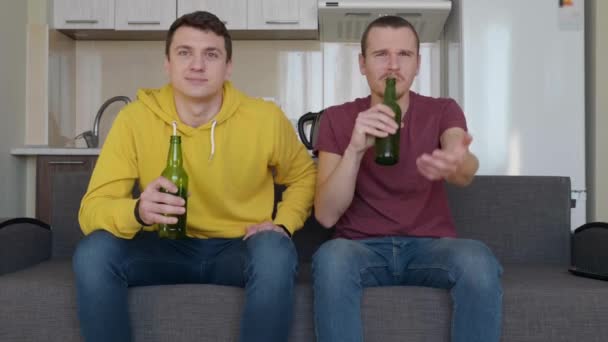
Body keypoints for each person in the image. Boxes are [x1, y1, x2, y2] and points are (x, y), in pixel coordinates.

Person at [73, 11, 316, 342]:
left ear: (228, 66)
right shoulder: (134, 120)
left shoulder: (265, 118)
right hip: (163, 246)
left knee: (276, 249)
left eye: (211, 54)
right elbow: (92, 211)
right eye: (185, 53)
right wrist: (137, 211)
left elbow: (305, 175)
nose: (197, 65)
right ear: (168, 64)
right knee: (93, 252)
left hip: (239, 247)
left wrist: (284, 222)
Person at [312, 15, 503, 342]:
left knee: (477, 259)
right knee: (331, 259)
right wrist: (356, 149)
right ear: (362, 63)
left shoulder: (443, 110)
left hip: (430, 249)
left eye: (404, 55)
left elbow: (463, 161)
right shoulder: (337, 118)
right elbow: (326, 214)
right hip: (359, 248)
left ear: (418, 63)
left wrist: (456, 161)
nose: (392, 66)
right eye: (380, 54)